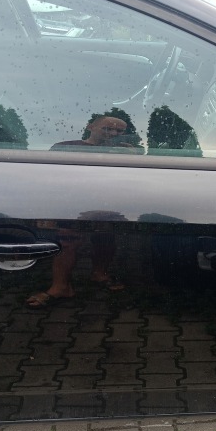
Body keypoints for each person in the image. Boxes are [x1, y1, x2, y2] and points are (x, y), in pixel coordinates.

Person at [26, 114, 133, 308]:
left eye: (119, 131)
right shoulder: (66, 146)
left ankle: (100, 274)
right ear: (90, 127)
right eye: (107, 128)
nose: (113, 133)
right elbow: (48, 174)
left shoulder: (124, 150)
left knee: (106, 238)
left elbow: (131, 176)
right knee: (68, 241)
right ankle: (60, 287)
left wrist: (131, 155)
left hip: (109, 200)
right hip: (72, 201)